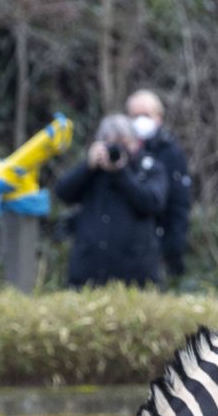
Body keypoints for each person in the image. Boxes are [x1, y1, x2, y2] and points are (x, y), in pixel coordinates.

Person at [55, 114, 168, 289]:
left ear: (136, 142)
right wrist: (87, 166)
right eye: (112, 143)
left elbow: (152, 202)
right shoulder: (93, 171)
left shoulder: (148, 168)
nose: (118, 150)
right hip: (88, 274)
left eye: (124, 143)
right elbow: (62, 193)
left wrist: (121, 173)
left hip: (136, 276)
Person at [126, 89, 191, 280]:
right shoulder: (121, 150)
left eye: (145, 115)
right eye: (135, 115)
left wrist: (174, 247)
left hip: (158, 239)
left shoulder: (171, 151)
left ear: (158, 118)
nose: (140, 120)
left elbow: (179, 203)